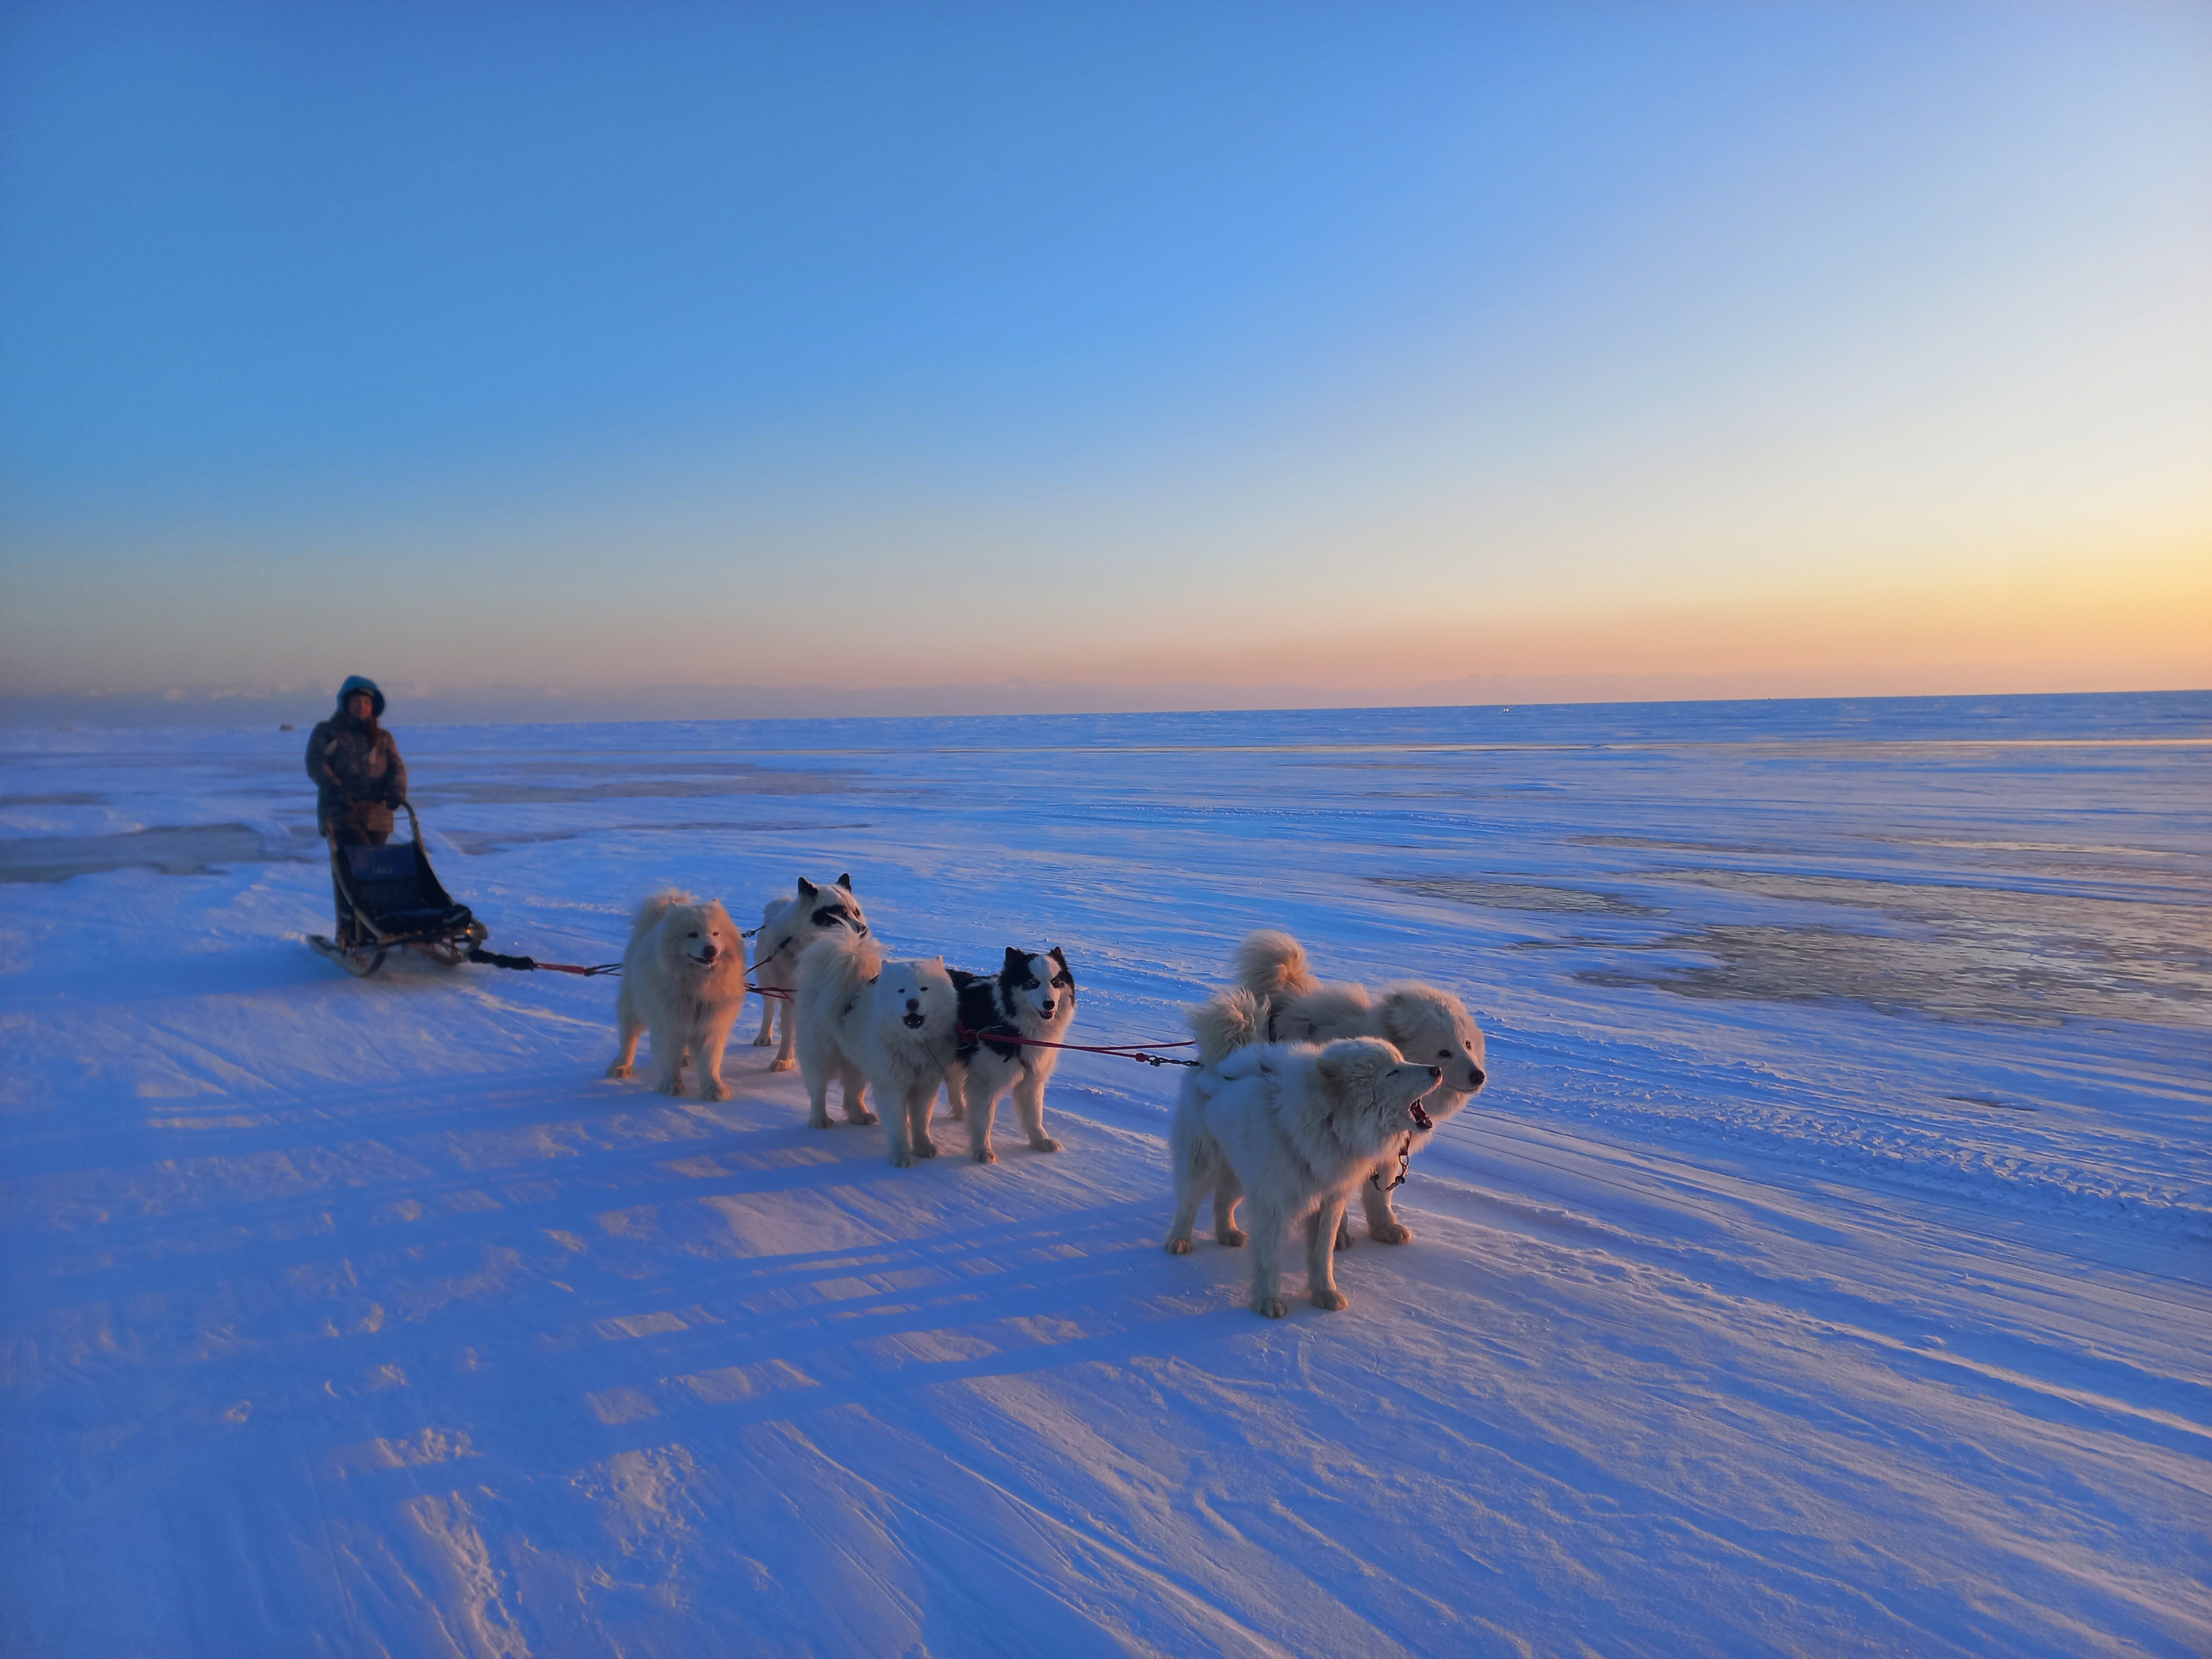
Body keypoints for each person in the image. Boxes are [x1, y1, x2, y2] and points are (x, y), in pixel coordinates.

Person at [306, 675, 409, 943]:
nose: (361, 707)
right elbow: (316, 764)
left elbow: (397, 767)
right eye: (356, 702)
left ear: (373, 707)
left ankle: (378, 926)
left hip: (378, 815)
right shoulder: (328, 732)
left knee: (379, 871)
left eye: (366, 702)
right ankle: (352, 931)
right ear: (345, 704)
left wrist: (397, 791)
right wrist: (335, 789)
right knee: (355, 870)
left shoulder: (382, 738)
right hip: (342, 814)